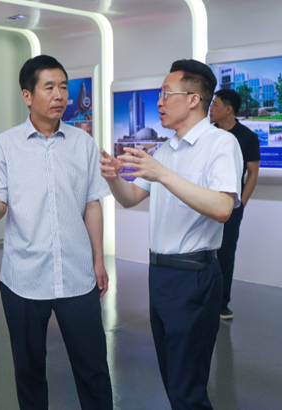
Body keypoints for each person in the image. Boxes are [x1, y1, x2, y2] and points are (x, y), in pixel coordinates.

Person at [0, 55, 113, 410]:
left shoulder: (82, 142)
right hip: (24, 279)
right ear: (27, 95)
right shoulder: (4, 146)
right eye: (49, 87)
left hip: (77, 275)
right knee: (29, 372)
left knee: (93, 368)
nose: (59, 95)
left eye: (64, 87)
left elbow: (92, 203)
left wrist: (98, 260)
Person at [100, 59, 242, 410]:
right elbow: (131, 198)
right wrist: (113, 178)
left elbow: (222, 208)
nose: (159, 102)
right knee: (173, 379)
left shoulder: (220, 144)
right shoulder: (165, 149)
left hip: (194, 275)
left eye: (166, 94)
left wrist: (162, 174)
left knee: (187, 388)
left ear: (193, 99)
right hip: (160, 274)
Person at [210, 89, 260, 320]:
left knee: (226, 252)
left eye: (215, 104)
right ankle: (202, 299)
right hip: (204, 201)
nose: (211, 109)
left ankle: (221, 303)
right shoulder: (208, 134)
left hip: (231, 205)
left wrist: (242, 203)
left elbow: (252, 173)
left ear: (228, 109)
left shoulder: (247, 137)